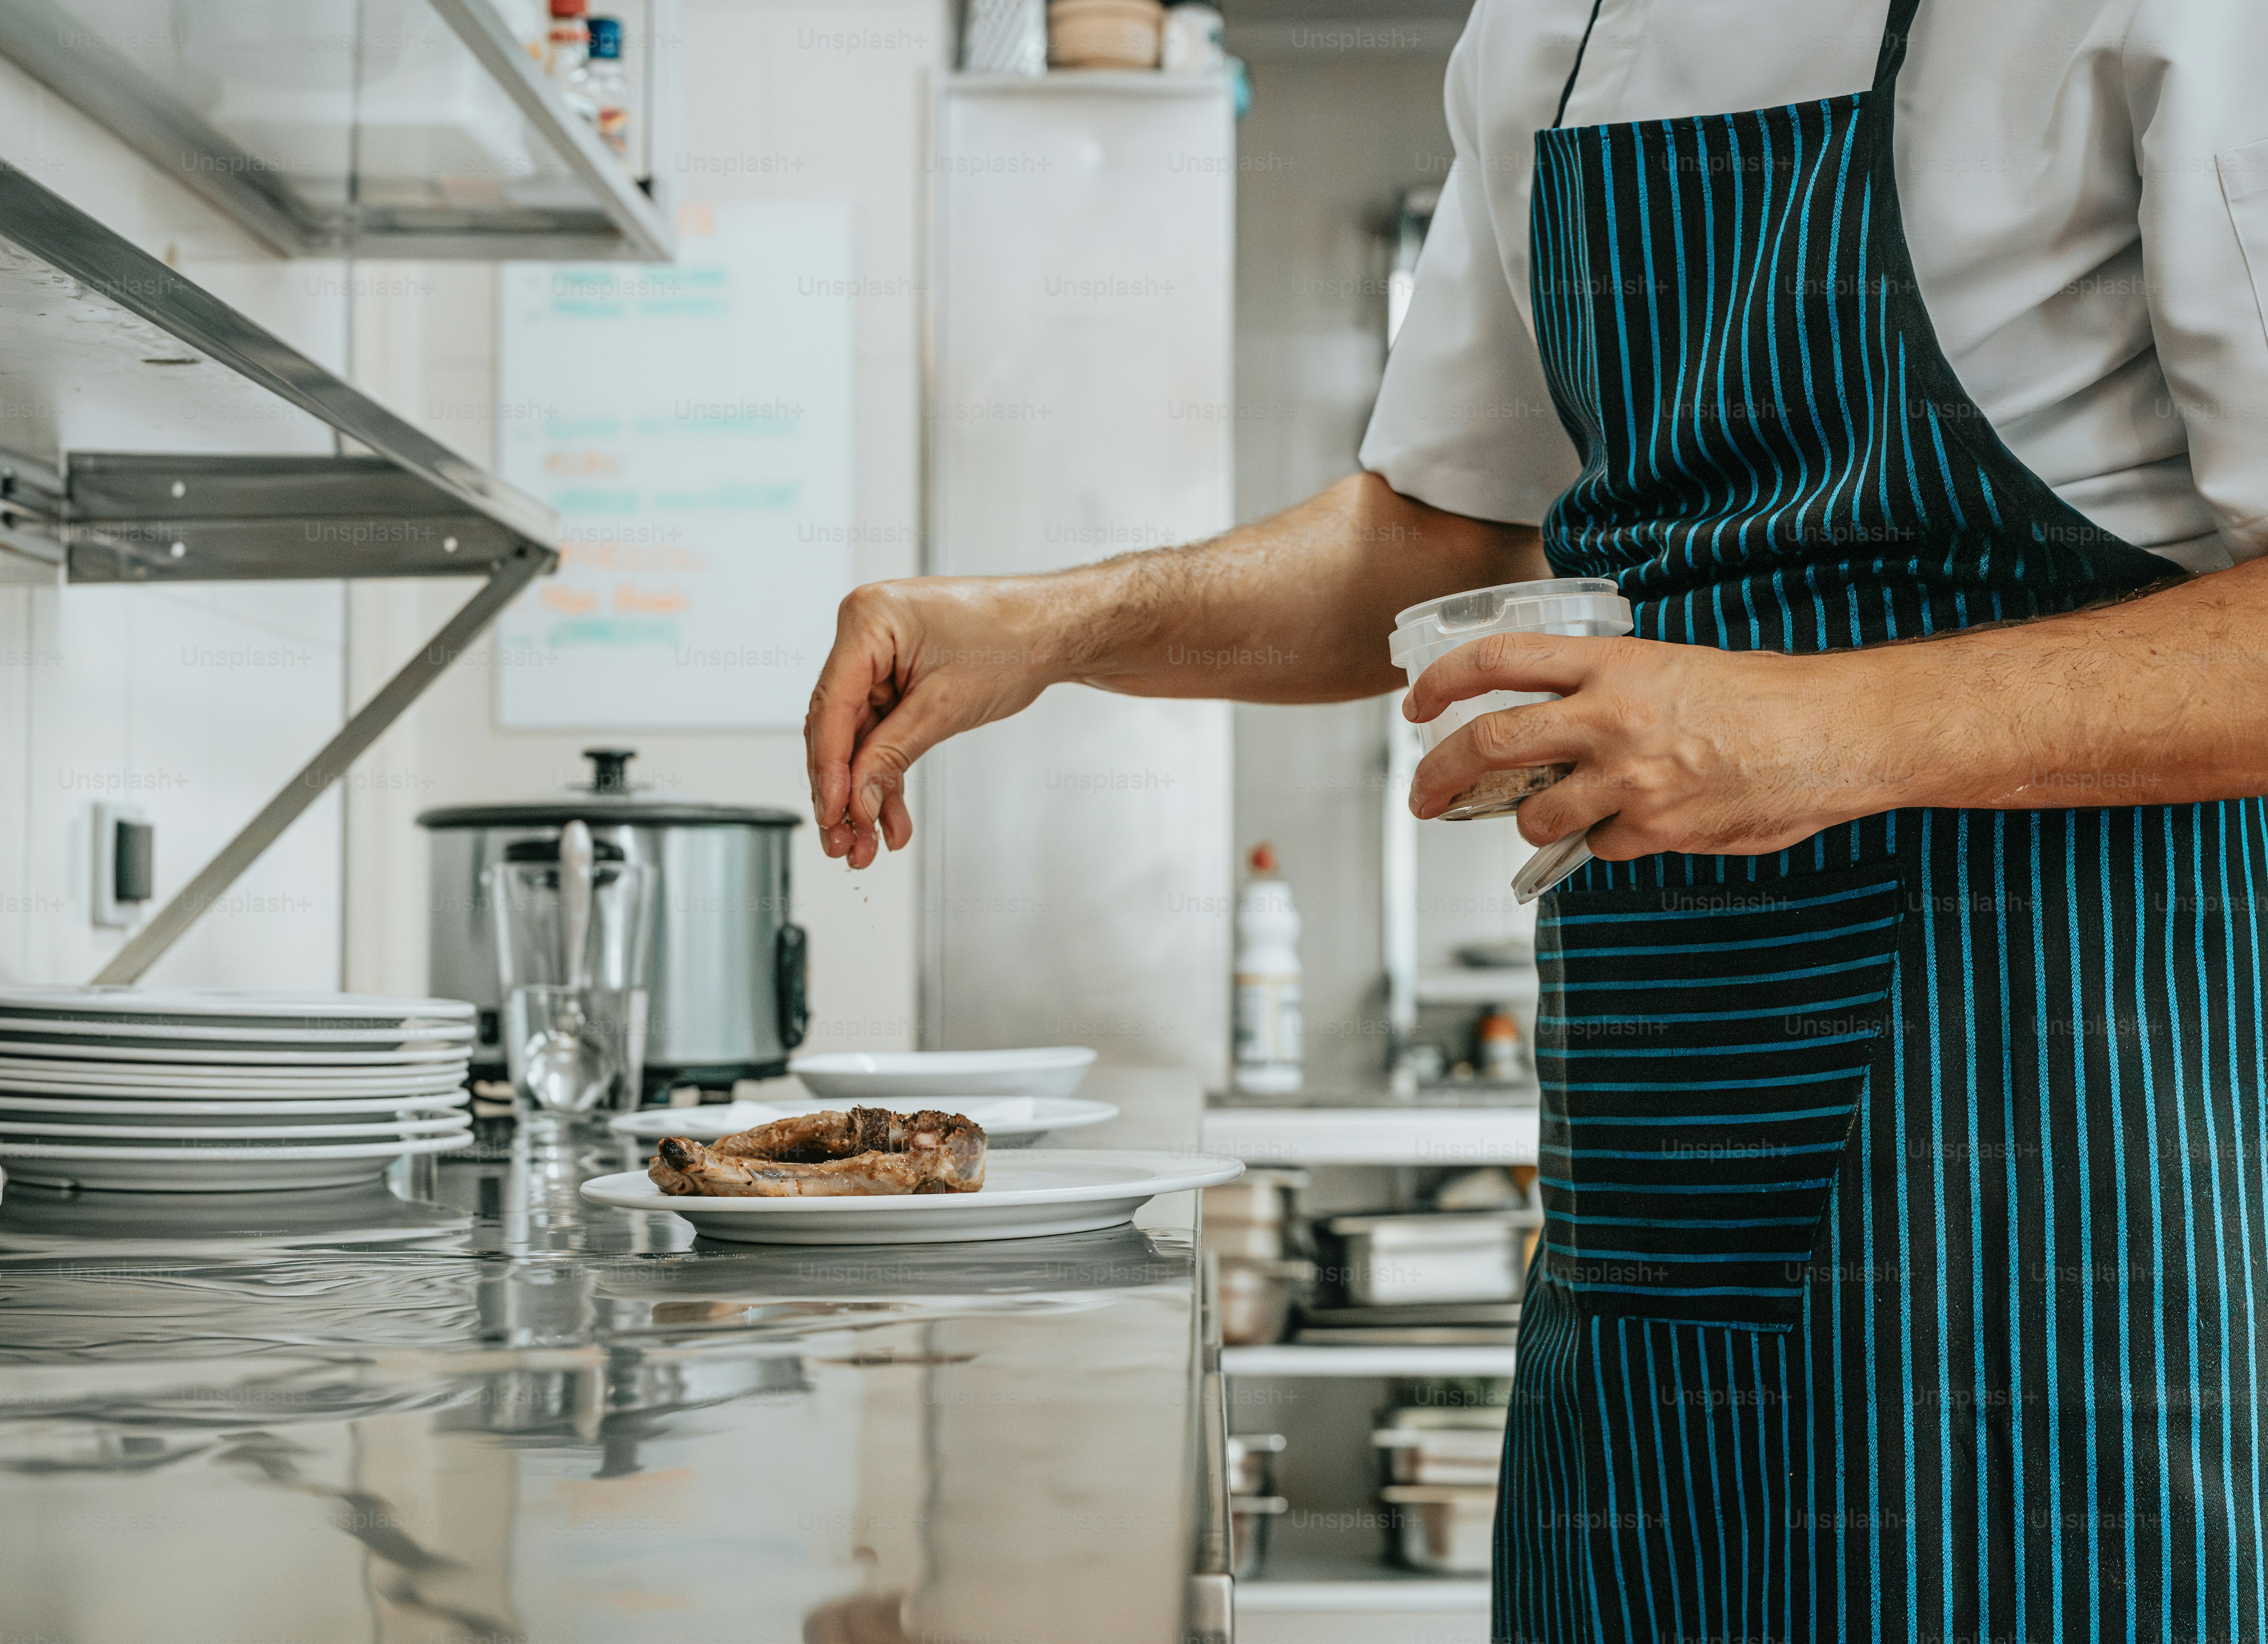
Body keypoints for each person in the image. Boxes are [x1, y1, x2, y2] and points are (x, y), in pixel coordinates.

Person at [805, 1, 2268, 1637]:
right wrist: (1053, 624)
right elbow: (1439, 537)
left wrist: (1828, 725)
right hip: (1650, 1166)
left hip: (2044, 1161)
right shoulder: (1549, 31)